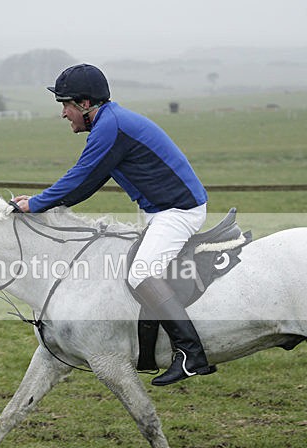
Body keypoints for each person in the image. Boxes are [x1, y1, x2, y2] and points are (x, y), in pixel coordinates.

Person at [12, 64, 216, 386]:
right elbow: (87, 184)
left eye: (66, 105)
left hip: (178, 211)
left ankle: (191, 354)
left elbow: (80, 177)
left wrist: (35, 204)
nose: (64, 114)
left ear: (85, 104)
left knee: (141, 274)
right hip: (160, 210)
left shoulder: (112, 127)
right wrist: (43, 205)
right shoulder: (109, 123)